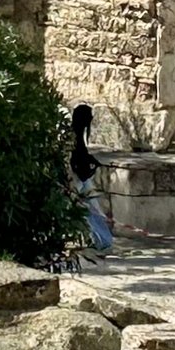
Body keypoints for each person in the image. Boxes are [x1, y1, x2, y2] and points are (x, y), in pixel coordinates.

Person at [69, 103, 113, 254]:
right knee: (93, 211)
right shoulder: (74, 137)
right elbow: (76, 161)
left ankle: (100, 240)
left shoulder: (77, 135)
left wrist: (92, 161)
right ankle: (102, 241)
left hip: (81, 179)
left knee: (93, 211)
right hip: (79, 181)